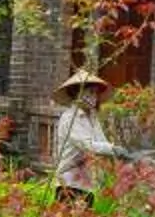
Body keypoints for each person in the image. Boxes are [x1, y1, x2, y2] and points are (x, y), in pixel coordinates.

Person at [50, 68, 125, 198]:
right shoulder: (70, 118)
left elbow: (101, 141)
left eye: (95, 93)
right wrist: (113, 149)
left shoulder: (92, 118)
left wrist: (119, 153)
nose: (94, 97)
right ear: (77, 93)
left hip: (86, 183)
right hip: (69, 183)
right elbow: (87, 145)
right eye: (90, 92)